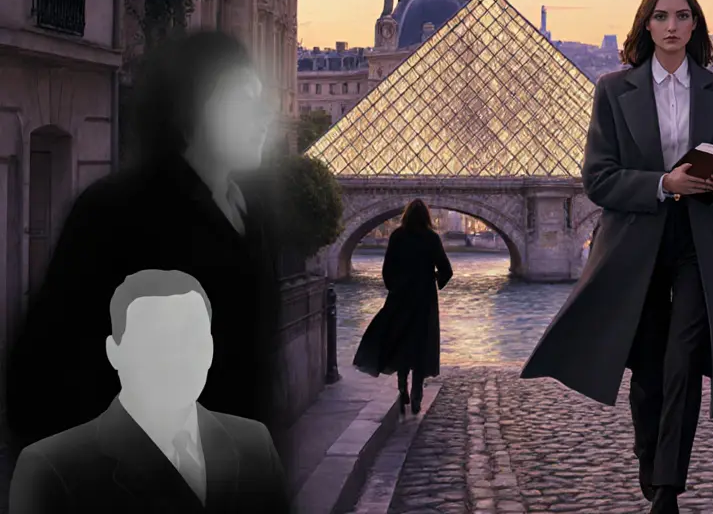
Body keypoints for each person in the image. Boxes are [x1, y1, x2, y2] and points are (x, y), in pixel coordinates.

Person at [520, 0, 713, 514]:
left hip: (699, 241)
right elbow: (598, 180)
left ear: (695, 25)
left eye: (682, 15)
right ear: (645, 25)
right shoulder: (611, 89)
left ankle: (668, 488)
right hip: (637, 243)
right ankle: (651, 461)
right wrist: (662, 183)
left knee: (683, 361)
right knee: (650, 371)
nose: (671, 26)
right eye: (661, 16)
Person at [6, 30, 284, 451]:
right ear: (191, 108)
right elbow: (45, 380)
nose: (266, 114)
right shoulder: (117, 214)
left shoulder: (253, 216)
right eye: (244, 99)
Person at [9, 269, 290, 513]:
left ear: (211, 350)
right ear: (113, 352)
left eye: (191, 336)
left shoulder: (256, 445)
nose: (176, 355)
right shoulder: (51, 470)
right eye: (155, 339)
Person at [353, 199, 454, 414]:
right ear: (427, 217)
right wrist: (434, 278)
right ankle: (417, 393)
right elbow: (447, 270)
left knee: (400, 341)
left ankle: (402, 388)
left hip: (400, 298)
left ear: (406, 215)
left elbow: (387, 269)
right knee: (420, 345)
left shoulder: (397, 236)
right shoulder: (431, 238)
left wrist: (394, 288)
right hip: (424, 300)